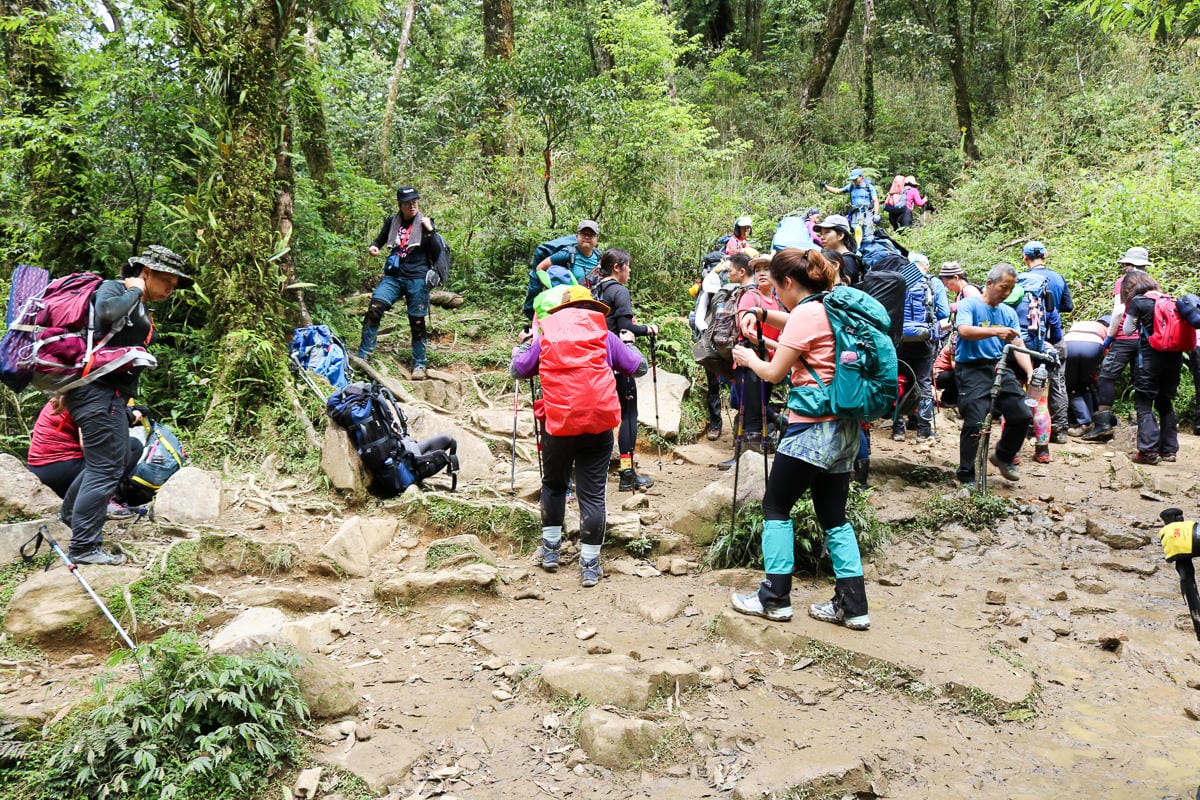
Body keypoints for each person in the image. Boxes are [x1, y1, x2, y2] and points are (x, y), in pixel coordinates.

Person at [727, 248, 870, 630]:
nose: (776, 295)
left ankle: (773, 598)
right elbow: (797, 328)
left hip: (811, 428)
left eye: (776, 288)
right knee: (834, 516)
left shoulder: (806, 313)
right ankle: (853, 605)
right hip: (845, 428)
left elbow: (773, 373)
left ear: (788, 283)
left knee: (776, 506)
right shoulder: (834, 307)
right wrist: (761, 314)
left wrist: (748, 357)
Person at [60, 245, 190, 565]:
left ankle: (69, 516)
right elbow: (105, 312)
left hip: (109, 395)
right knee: (106, 469)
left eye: (174, 287)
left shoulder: (138, 304)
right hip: (98, 395)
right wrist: (134, 291)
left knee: (105, 465)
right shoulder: (116, 289)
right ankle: (84, 547)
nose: (170, 291)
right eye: (167, 284)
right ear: (146, 272)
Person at [510, 285, 647, 587]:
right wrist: (630, 344)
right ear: (591, 310)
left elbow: (518, 371)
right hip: (598, 426)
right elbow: (639, 368)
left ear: (562, 312)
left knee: (554, 485)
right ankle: (589, 564)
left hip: (558, 426)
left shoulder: (546, 337)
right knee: (593, 494)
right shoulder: (606, 337)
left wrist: (522, 348)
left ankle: (549, 552)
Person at [953, 263, 1034, 487]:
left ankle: (1003, 456)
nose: (1007, 293)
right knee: (975, 422)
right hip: (971, 369)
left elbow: (1018, 344)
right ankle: (967, 475)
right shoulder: (969, 304)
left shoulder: (1008, 312)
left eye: (1011, 289)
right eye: (1003, 287)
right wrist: (996, 331)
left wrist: (1029, 371)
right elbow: (964, 331)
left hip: (999, 367)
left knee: (1022, 415)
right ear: (989, 283)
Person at [590, 248, 659, 491]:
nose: (629, 271)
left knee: (602, 418)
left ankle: (594, 473)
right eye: (627, 266)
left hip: (594, 364)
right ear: (617, 267)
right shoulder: (618, 290)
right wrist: (649, 328)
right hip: (617, 364)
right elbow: (624, 327)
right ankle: (627, 474)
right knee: (629, 415)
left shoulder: (593, 289)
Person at [360, 186, 443, 379]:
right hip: (394, 275)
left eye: (415, 202)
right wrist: (374, 246)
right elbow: (380, 239)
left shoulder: (425, 222)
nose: (412, 206)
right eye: (408, 203)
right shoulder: (392, 222)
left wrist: (430, 231)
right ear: (400, 205)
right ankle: (364, 355)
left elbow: (437, 251)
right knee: (375, 307)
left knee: (417, 320)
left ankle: (419, 364)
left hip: (417, 277)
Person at [26, 397, 145, 517]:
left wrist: (125, 416)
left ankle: (101, 499)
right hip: (60, 467)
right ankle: (102, 502)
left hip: (42, 468)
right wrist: (128, 418)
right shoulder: (88, 399)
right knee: (132, 446)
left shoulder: (69, 392)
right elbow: (91, 445)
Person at [1083, 246, 1152, 441]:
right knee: (1141, 380)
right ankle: (1143, 425)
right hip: (1146, 340)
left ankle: (1103, 425)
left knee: (1106, 376)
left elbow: (1119, 311)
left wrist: (1110, 336)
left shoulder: (1123, 282)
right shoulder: (1152, 284)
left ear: (1130, 265)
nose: (1123, 268)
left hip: (1124, 338)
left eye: (1125, 264)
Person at [1120, 270, 1181, 464]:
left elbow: (1128, 329)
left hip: (1149, 360)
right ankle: (1169, 451)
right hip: (1174, 360)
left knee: (1144, 403)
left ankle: (1148, 452)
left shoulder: (1139, 301)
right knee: (1166, 401)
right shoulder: (1171, 300)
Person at [1021, 240, 1073, 443]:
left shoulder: (1022, 279)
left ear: (1025, 257)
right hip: (1054, 334)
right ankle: (1060, 430)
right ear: (1045, 256)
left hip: (1029, 339)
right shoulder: (1058, 278)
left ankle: (1029, 427)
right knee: (1058, 381)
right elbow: (1067, 306)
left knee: (1028, 380)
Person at [893, 253, 950, 441]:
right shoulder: (933, 283)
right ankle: (923, 430)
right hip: (924, 339)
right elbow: (944, 312)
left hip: (900, 338)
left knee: (899, 379)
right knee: (924, 381)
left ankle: (898, 428)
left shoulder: (899, 278)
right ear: (926, 265)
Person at [1062, 317, 1109, 435]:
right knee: (1084, 383)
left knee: (1072, 386)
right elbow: (1107, 352)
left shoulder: (1081, 323)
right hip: (1093, 346)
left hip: (1069, 344)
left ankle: (1083, 421)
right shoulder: (1106, 329)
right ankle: (1088, 421)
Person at [823, 168, 879, 240]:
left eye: (856, 179)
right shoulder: (851, 186)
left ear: (861, 177)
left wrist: (876, 213)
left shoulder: (869, 187)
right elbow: (838, 191)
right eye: (853, 179)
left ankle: (869, 249)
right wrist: (826, 186)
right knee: (858, 235)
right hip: (855, 214)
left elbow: (875, 200)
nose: (854, 181)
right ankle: (859, 249)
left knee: (868, 235)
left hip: (867, 213)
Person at [812, 214, 862, 286]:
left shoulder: (847, 260)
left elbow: (841, 291)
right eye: (821, 234)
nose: (821, 237)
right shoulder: (839, 258)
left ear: (840, 235)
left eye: (827, 232)